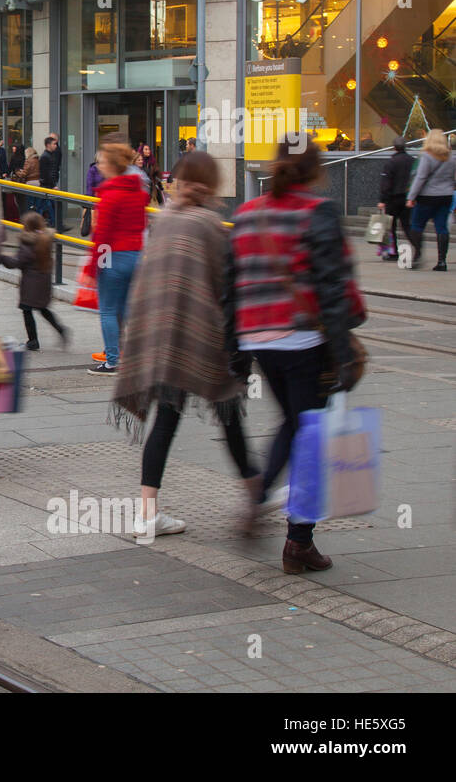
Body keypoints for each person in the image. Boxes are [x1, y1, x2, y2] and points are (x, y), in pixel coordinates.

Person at [231, 132, 365, 574]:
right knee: (311, 433)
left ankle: (263, 495)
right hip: (304, 338)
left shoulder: (247, 214)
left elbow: (230, 287)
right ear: (315, 170)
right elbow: (333, 286)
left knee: (294, 422)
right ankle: (298, 541)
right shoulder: (318, 211)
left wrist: (235, 350)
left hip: (257, 340)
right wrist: (343, 352)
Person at [112, 150, 260, 539]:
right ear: (211, 183)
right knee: (228, 415)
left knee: (166, 420)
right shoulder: (211, 225)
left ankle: (147, 513)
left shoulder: (164, 222)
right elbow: (227, 289)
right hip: (201, 339)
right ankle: (256, 495)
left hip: (162, 340)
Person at [84, 136, 149, 375]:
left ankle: (112, 361)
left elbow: (102, 236)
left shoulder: (110, 195)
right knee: (126, 309)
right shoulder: (137, 192)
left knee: (109, 310)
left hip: (112, 257)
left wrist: (92, 269)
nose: (98, 165)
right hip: (135, 255)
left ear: (111, 165)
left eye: (101, 162)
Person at [0, 211, 68, 352]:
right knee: (43, 308)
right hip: (44, 281)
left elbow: (16, 262)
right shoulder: (45, 239)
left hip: (31, 284)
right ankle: (60, 329)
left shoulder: (28, 243)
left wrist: (0, 257)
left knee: (27, 310)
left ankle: (33, 340)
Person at [404, 129, 455, 270]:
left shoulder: (426, 156)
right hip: (445, 196)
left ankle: (417, 255)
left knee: (417, 225)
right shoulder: (451, 157)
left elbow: (421, 177)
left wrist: (411, 197)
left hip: (427, 196)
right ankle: (442, 261)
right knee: (441, 227)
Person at [377, 135, 414, 261]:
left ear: (394, 147)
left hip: (393, 199)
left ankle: (393, 252)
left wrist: (382, 200)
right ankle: (417, 247)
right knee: (407, 225)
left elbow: (386, 183)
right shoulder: (412, 161)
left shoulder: (391, 162)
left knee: (390, 227)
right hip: (408, 198)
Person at [37, 133, 63, 226]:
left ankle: (52, 224)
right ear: (48, 145)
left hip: (48, 184)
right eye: (54, 144)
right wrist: (53, 185)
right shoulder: (45, 157)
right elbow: (46, 173)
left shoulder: (50, 155)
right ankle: (53, 224)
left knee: (46, 205)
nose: (56, 145)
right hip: (47, 185)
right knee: (47, 206)